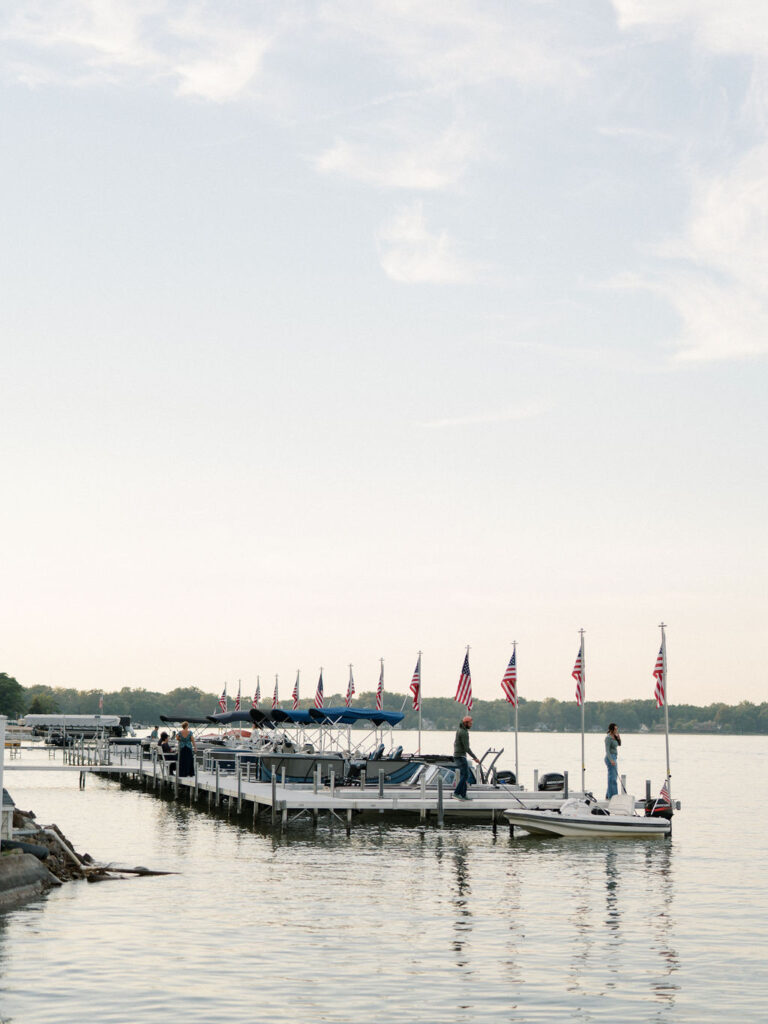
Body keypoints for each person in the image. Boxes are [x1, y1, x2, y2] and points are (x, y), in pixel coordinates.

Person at [453, 715, 478, 800]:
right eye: (470, 723)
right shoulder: (463, 733)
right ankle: (456, 793)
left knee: (465, 775)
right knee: (466, 775)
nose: (471, 725)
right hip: (460, 756)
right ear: (465, 723)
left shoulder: (460, 730)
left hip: (458, 755)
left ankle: (463, 795)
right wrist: (475, 758)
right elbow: (466, 748)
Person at [604, 722, 621, 799]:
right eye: (615, 729)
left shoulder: (614, 736)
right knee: (613, 778)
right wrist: (611, 760)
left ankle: (608, 795)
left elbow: (619, 744)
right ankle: (613, 796)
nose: (616, 730)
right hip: (610, 757)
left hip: (614, 757)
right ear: (612, 729)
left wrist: (618, 737)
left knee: (612, 777)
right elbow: (607, 750)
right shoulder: (608, 738)